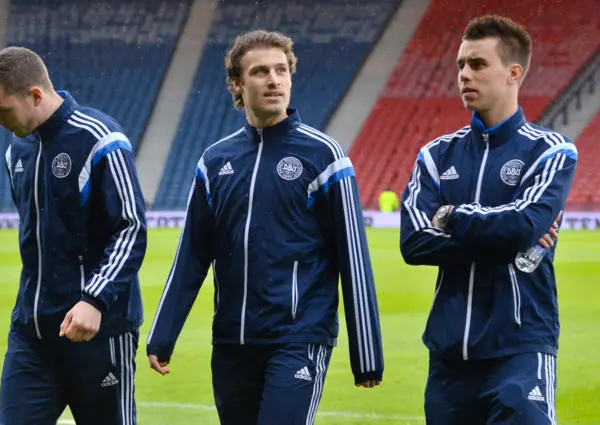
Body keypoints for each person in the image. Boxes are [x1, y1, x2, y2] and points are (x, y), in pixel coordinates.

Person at [146, 29, 384, 425]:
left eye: (281, 70)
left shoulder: (324, 156)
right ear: (238, 84)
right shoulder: (214, 161)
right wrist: (163, 334)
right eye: (260, 72)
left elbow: (353, 258)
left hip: (298, 338)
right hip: (231, 342)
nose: (274, 80)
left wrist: (367, 354)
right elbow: (191, 254)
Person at [399, 15, 577, 425]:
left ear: (514, 73)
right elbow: (413, 243)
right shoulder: (435, 156)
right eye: (461, 64)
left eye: (478, 64)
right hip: (448, 356)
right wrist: (503, 239)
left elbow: (524, 225)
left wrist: (451, 215)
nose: (464, 74)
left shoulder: (551, 152)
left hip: (520, 348)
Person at [0, 46, 147, 425]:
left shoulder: (101, 139)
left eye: (1, 110)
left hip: (98, 334)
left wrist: (94, 299)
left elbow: (132, 226)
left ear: (35, 95)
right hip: (31, 336)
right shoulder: (16, 152)